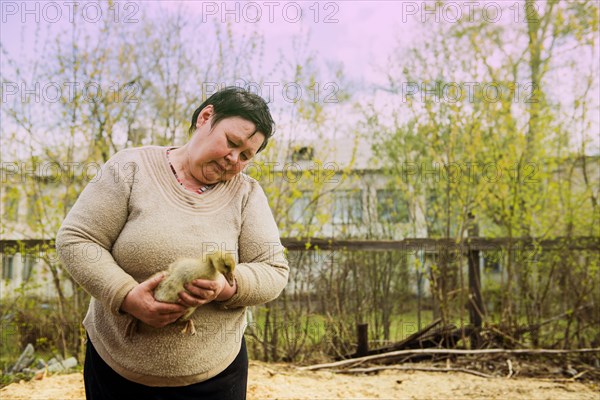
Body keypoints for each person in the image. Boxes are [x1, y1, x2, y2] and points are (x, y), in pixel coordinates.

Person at [56, 87, 289, 399]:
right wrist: (125, 296)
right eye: (232, 142)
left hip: (215, 375)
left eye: (246, 155)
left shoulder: (246, 194)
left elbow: (274, 270)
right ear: (206, 117)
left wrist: (226, 287)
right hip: (117, 369)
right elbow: (77, 240)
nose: (234, 158)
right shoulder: (130, 168)